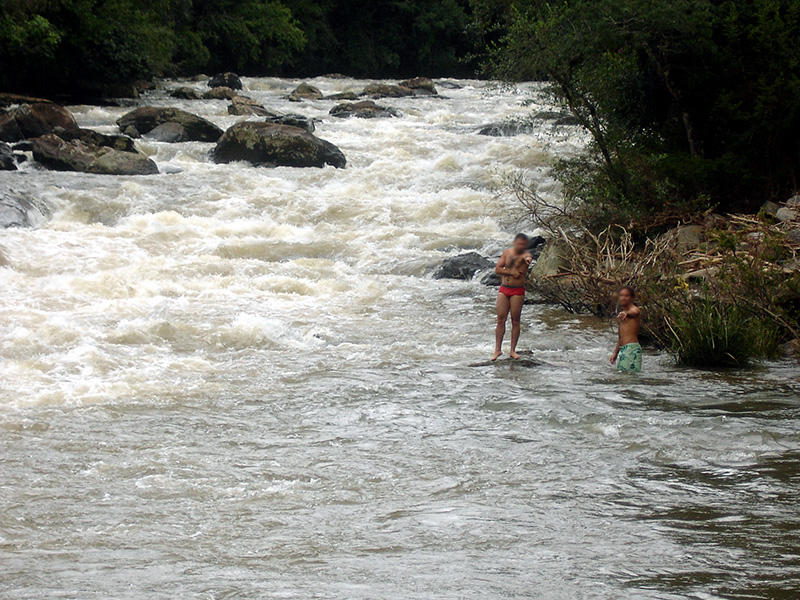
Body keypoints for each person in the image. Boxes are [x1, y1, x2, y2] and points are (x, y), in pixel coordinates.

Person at [492, 234, 533, 361]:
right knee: (500, 319)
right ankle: (497, 350)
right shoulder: (507, 253)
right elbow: (498, 269)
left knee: (515, 320)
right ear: (514, 243)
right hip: (504, 288)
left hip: (517, 291)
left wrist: (528, 260)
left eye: (523, 244)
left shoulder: (526, 255)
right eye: (519, 243)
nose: (521, 246)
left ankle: (512, 350)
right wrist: (511, 272)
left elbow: (528, 257)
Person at [610, 286, 642, 372]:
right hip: (623, 349)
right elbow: (621, 336)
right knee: (623, 377)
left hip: (631, 348)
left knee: (628, 378)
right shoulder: (621, 315)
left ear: (632, 298)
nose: (623, 298)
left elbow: (634, 313)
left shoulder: (634, 310)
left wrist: (626, 313)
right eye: (621, 295)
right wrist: (615, 353)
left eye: (626, 296)